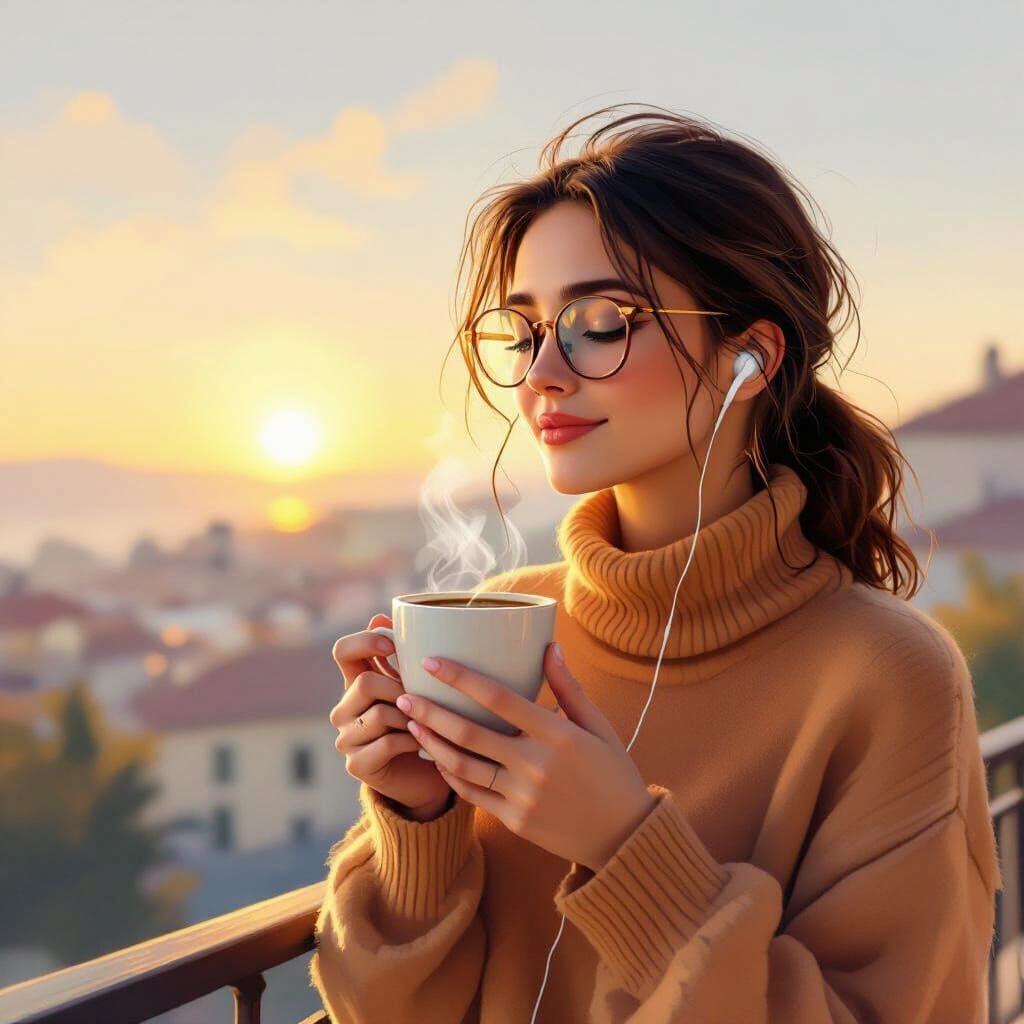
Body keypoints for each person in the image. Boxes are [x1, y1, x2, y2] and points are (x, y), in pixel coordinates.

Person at [308, 104, 1002, 1023]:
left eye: (599, 323)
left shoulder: (887, 677)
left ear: (749, 357)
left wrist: (624, 844)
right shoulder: (505, 625)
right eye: (523, 330)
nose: (541, 373)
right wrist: (419, 823)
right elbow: (383, 1012)